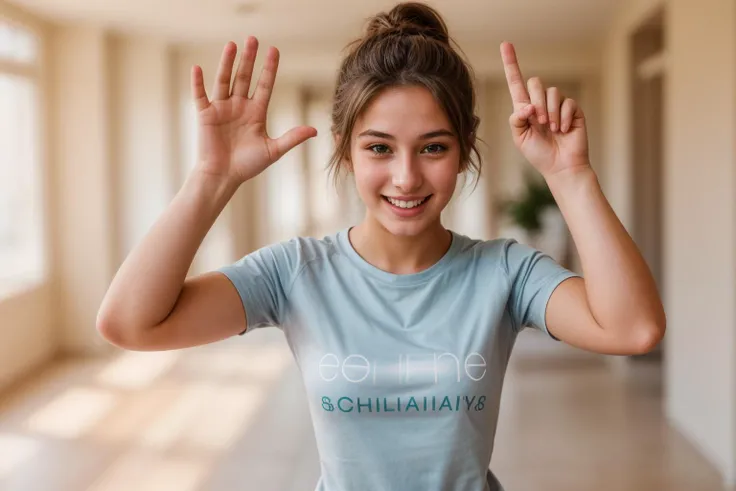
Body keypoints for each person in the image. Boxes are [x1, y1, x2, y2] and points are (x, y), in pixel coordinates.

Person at [96, 2, 666, 490]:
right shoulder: (296, 272)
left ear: (466, 150)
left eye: (433, 148)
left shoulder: (505, 272)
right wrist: (211, 178)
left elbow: (633, 329)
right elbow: (129, 323)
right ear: (345, 151)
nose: (406, 177)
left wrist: (571, 176)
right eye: (379, 148)